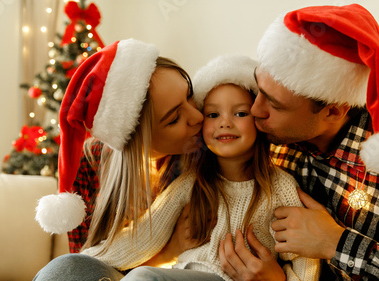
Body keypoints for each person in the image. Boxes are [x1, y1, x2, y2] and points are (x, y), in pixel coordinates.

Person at [219, 4, 379, 281]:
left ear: (333, 111)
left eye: (275, 105)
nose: (255, 109)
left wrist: (336, 243)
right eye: (259, 89)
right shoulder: (270, 137)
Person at [80, 55, 321, 281]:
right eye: (213, 114)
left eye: (239, 113)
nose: (225, 122)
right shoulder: (191, 183)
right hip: (183, 273)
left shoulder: (281, 189)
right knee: (73, 267)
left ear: (258, 118)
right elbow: (142, 238)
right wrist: (85, 261)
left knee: (143, 278)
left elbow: (302, 255)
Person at [33, 38, 204, 280]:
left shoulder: (207, 153)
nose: (198, 116)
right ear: (138, 140)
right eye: (174, 119)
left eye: (190, 95)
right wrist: (168, 251)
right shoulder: (88, 165)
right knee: (63, 271)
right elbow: (84, 269)